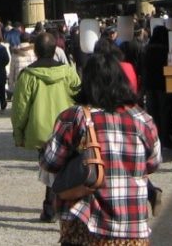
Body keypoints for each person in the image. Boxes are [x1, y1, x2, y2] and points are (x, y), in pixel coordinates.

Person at [41, 51, 161, 246]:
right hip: (132, 224)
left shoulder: (74, 117)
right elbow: (154, 163)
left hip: (86, 223)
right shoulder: (143, 119)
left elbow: (50, 162)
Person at [12, 30, 81, 221]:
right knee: (64, 165)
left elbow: (20, 108)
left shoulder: (28, 76)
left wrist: (18, 133)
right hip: (66, 128)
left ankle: (51, 207)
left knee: (50, 166)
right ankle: (63, 204)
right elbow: (79, 97)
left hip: (40, 129)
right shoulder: (68, 72)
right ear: (55, 50)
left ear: (36, 51)